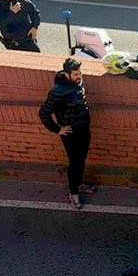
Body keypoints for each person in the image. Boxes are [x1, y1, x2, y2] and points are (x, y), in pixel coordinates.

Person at [39, 58, 96, 209]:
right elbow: (44, 113)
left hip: (83, 127)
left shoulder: (78, 82)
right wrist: (58, 129)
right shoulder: (58, 91)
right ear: (67, 73)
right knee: (75, 163)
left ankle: (80, 183)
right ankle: (74, 192)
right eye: (76, 74)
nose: (79, 76)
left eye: (80, 73)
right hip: (70, 133)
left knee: (82, 159)